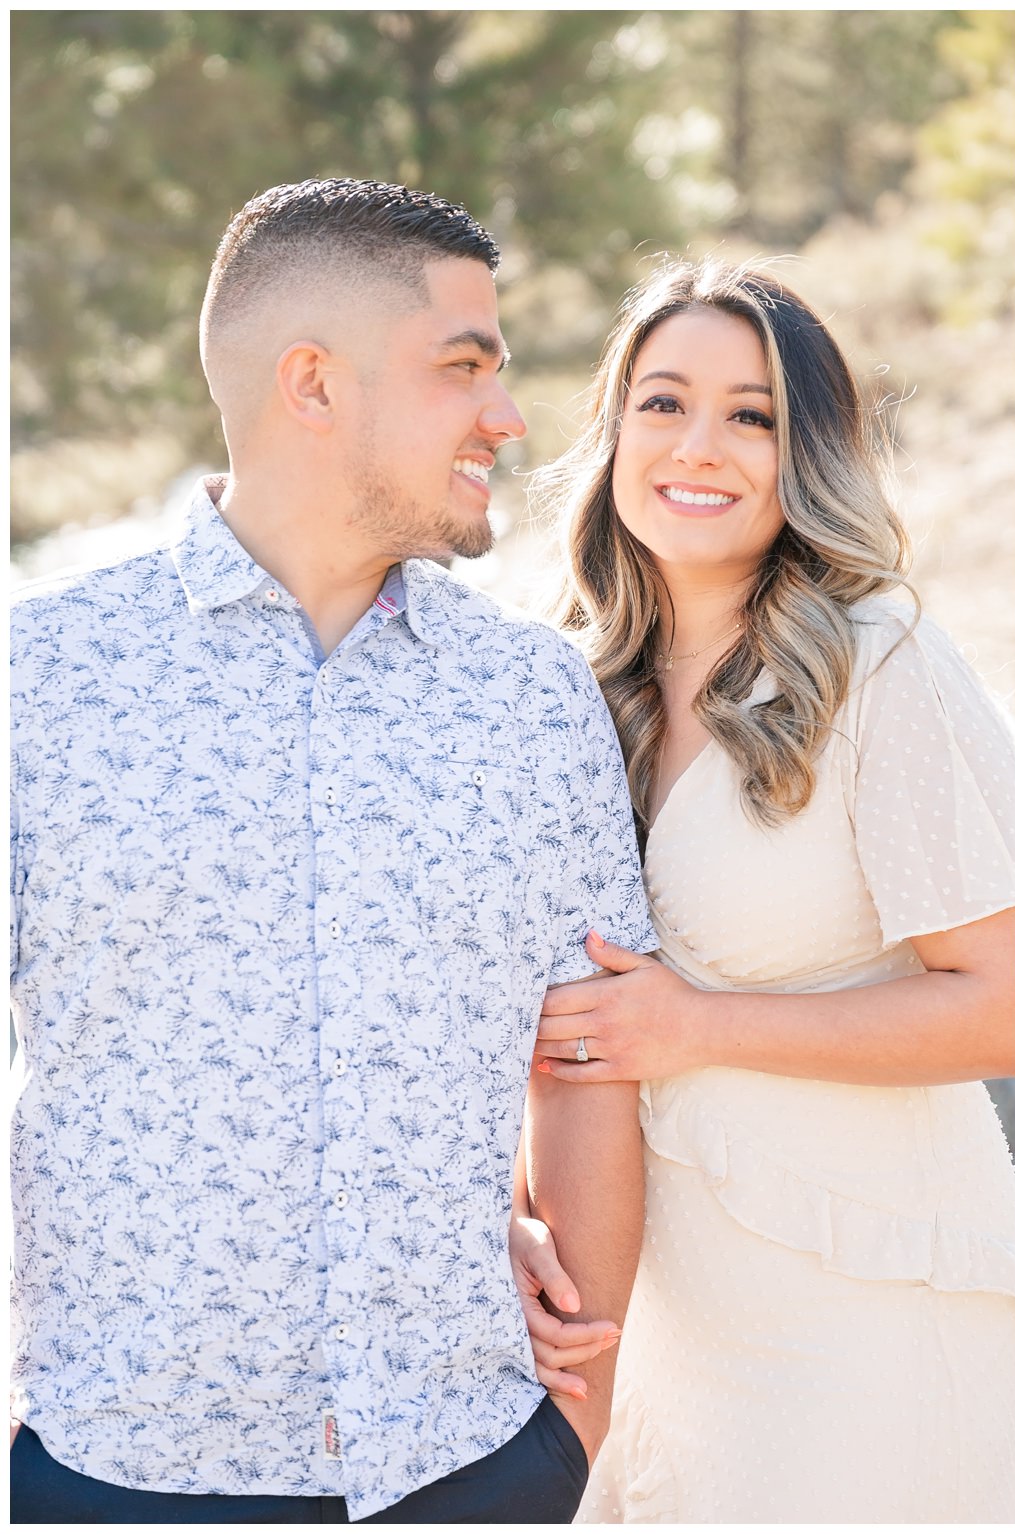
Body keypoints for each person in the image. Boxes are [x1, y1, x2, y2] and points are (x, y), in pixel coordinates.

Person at [8, 178, 658, 1521]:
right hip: (118, 1475)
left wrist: (569, 1430)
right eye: (463, 368)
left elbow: (588, 1050)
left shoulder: (533, 699)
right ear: (311, 383)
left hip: (469, 1466)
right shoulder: (42, 680)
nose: (509, 417)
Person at [507, 258, 1015, 1523]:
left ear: (811, 455)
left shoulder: (875, 660)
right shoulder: (567, 687)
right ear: (612, 430)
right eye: (663, 401)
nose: (701, 445)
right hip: (663, 1316)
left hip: (867, 1302)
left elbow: (1002, 1005)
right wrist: (511, 1216)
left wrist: (699, 1023)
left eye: (752, 415)